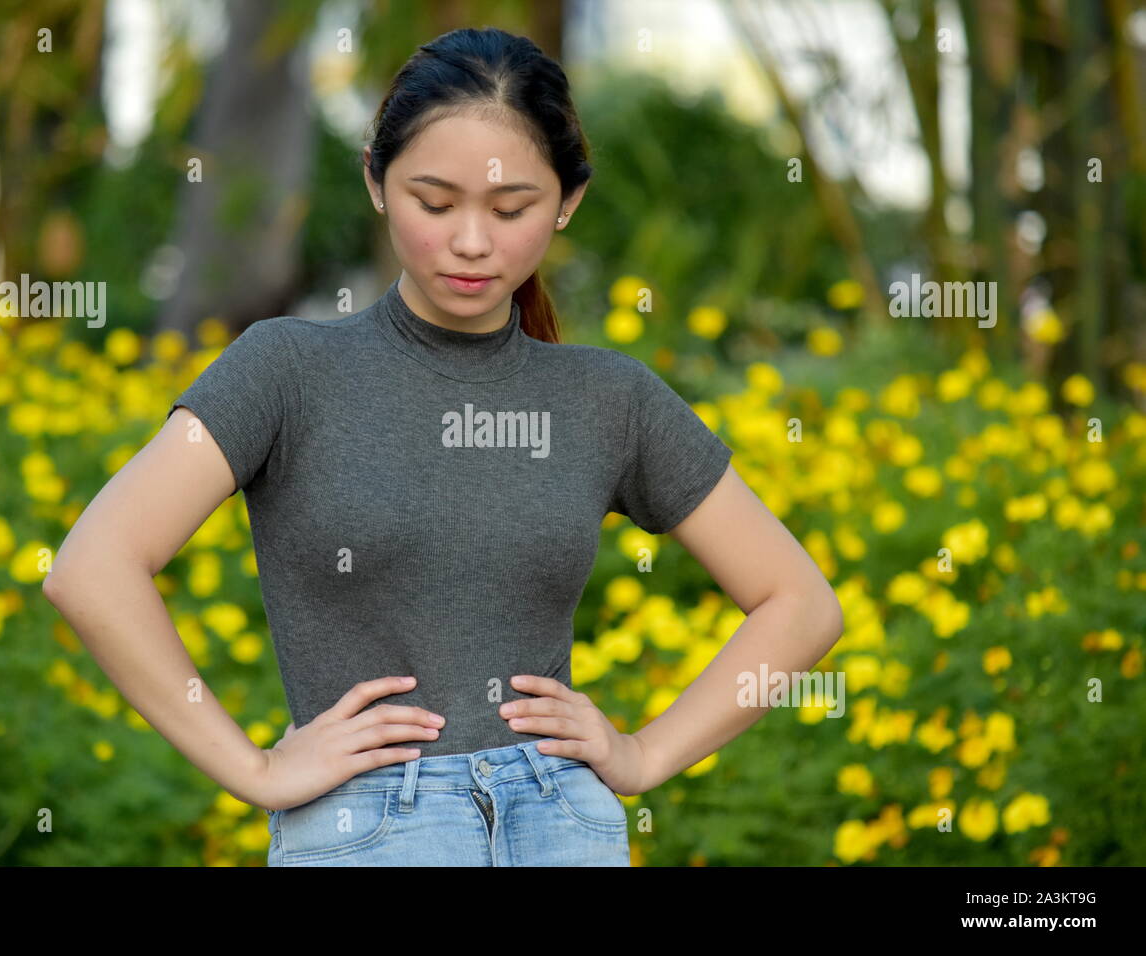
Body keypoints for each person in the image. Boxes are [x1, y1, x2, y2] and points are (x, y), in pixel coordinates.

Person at [43, 26, 844, 867]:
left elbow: (800, 604)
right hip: (368, 829)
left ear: (567, 201)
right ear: (376, 182)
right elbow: (94, 567)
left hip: (564, 826)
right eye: (434, 201)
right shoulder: (285, 371)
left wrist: (642, 753)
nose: (471, 241)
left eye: (511, 210)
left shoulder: (608, 398)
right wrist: (254, 768)